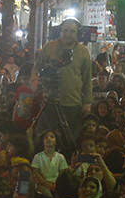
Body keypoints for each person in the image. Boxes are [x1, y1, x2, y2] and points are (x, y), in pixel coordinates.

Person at [34, 19, 93, 148]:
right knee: (43, 138)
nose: (68, 34)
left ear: (78, 33)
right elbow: (36, 69)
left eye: (72, 31)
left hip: (73, 103)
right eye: (65, 30)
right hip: (49, 102)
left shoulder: (83, 52)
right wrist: (36, 85)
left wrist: (87, 102)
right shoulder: (49, 47)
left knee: (70, 141)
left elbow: (87, 78)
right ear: (60, 31)